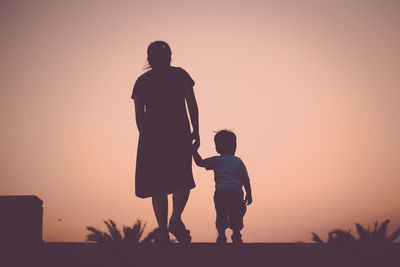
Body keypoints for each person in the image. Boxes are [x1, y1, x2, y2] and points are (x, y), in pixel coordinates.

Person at [132, 41, 200, 244]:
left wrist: (145, 136)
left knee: (157, 184)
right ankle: (175, 218)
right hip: (179, 131)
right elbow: (191, 102)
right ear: (169, 56)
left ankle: (163, 232)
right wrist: (196, 129)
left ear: (149, 59)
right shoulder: (180, 74)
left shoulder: (142, 81)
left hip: (152, 135)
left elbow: (138, 114)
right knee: (182, 178)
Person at [192, 130, 252, 244]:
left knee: (221, 214)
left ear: (217, 148)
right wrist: (249, 193)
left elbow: (199, 162)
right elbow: (245, 179)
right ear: (234, 146)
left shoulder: (216, 160)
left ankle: (221, 235)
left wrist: (193, 150)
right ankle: (236, 234)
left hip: (221, 194)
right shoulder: (238, 161)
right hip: (236, 194)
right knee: (237, 214)